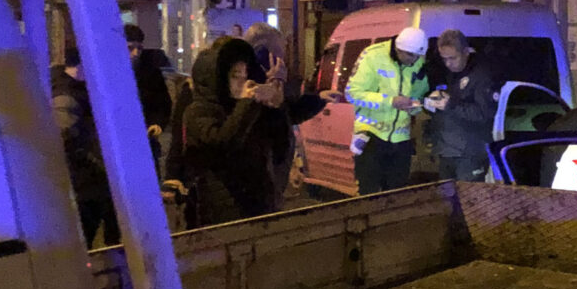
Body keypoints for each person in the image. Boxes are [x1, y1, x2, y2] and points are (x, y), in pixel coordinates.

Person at [172, 34, 280, 226]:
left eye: (245, 75)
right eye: (235, 76)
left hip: (256, 208)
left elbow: (278, 138)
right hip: (219, 213)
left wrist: (277, 101)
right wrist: (247, 103)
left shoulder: (241, 107)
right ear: (218, 78)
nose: (243, 82)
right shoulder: (198, 111)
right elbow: (224, 142)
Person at [245, 22, 328, 209]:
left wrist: (319, 99)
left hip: (271, 172)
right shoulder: (252, 83)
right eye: (280, 50)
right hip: (260, 173)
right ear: (264, 52)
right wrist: (274, 84)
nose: (284, 56)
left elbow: (288, 112)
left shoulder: (271, 80)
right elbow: (269, 119)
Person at [51, 45, 121, 247]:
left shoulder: (77, 90)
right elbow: (63, 140)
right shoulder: (66, 97)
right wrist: (90, 159)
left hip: (92, 181)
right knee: (83, 244)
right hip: (84, 184)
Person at [345, 24, 428, 194]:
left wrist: (417, 105)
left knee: (397, 196)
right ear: (399, 49)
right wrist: (389, 101)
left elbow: (419, 94)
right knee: (369, 194)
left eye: (418, 56)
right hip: (371, 136)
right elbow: (352, 93)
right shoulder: (373, 56)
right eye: (411, 56)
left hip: (400, 140)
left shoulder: (418, 61)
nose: (414, 61)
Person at [426, 28, 498, 182]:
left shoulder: (481, 76)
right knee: (448, 202)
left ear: (466, 52)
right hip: (447, 150)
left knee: (468, 202)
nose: (448, 63)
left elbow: (483, 114)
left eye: (452, 58)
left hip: (470, 153)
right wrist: (432, 103)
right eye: (444, 58)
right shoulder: (447, 73)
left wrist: (450, 105)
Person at [124, 24, 174, 168]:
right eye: (130, 48)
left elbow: (163, 104)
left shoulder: (151, 72)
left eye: (139, 48)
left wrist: (157, 123)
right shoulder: (105, 74)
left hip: (145, 141)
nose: (135, 53)